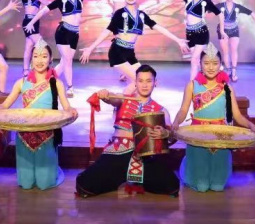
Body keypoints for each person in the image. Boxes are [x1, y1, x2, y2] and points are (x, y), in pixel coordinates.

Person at [0, 39, 77, 190]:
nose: (39, 61)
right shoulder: (21, 83)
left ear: (50, 59)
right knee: (26, 183)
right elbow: (5, 105)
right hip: (24, 134)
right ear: (31, 59)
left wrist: (71, 110)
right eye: (35, 56)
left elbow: (66, 106)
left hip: (46, 134)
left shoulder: (56, 83)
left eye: (44, 56)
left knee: (44, 183)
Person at [76, 65, 179, 197]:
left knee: (172, 186)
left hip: (146, 156)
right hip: (119, 151)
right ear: (135, 82)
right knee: (85, 185)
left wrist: (166, 134)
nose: (144, 85)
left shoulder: (162, 110)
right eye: (140, 81)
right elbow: (112, 98)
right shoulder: (123, 99)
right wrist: (106, 95)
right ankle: (121, 177)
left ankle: (133, 179)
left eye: (149, 81)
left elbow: (172, 138)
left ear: (155, 83)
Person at [172, 43, 255, 192]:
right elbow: (183, 110)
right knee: (201, 186)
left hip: (220, 136)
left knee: (217, 186)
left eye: (215, 63)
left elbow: (237, 115)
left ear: (220, 64)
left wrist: (251, 126)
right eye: (206, 63)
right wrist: (176, 122)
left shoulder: (227, 88)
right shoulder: (192, 86)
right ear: (200, 64)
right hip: (198, 135)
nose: (211, 67)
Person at [80, 0, 189, 96]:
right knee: (137, 81)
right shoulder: (119, 13)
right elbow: (107, 31)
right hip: (117, 51)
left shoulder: (141, 15)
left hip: (130, 52)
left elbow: (159, 27)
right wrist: (90, 48)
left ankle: (130, 103)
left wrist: (178, 40)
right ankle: (121, 103)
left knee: (144, 79)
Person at [25, 0, 103, 98]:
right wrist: (31, 22)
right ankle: (70, 87)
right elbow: (43, 11)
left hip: (75, 34)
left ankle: (47, 81)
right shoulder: (60, 0)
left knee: (64, 62)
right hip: (63, 32)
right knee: (68, 61)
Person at [161, 0, 225, 81]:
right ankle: (206, 79)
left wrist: (222, 30)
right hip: (190, 34)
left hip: (201, 33)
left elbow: (220, 14)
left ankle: (193, 84)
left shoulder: (206, 1)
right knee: (196, 60)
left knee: (194, 59)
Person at [215, 0, 255, 82]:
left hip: (234, 30)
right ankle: (228, 70)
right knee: (225, 51)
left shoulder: (237, 6)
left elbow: (251, 13)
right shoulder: (220, 6)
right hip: (222, 30)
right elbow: (207, 9)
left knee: (234, 50)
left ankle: (234, 72)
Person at [16, 0, 51, 76]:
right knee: (42, 44)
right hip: (28, 22)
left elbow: (49, 4)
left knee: (29, 46)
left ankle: (26, 70)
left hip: (36, 23)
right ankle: (46, 69)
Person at [110, 0, 137, 82]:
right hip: (116, 21)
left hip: (127, 20)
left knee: (126, 46)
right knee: (119, 47)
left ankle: (126, 72)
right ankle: (124, 71)